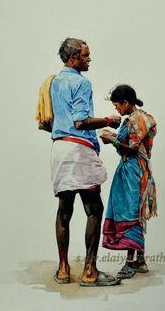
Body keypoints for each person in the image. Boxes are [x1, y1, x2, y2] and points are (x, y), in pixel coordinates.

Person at [49, 38, 121, 287]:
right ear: (72, 58)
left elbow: (48, 120)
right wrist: (108, 120)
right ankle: (90, 271)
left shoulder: (54, 82)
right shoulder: (81, 82)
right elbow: (80, 122)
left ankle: (62, 269)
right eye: (85, 55)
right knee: (94, 209)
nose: (89, 59)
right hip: (80, 149)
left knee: (64, 210)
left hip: (59, 149)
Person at [100, 84, 157, 279]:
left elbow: (132, 148)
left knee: (131, 213)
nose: (116, 109)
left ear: (126, 103)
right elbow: (131, 142)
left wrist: (112, 141)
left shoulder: (137, 119)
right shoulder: (132, 119)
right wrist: (114, 136)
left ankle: (131, 262)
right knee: (128, 211)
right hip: (127, 169)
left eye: (117, 105)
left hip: (134, 170)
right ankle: (139, 260)